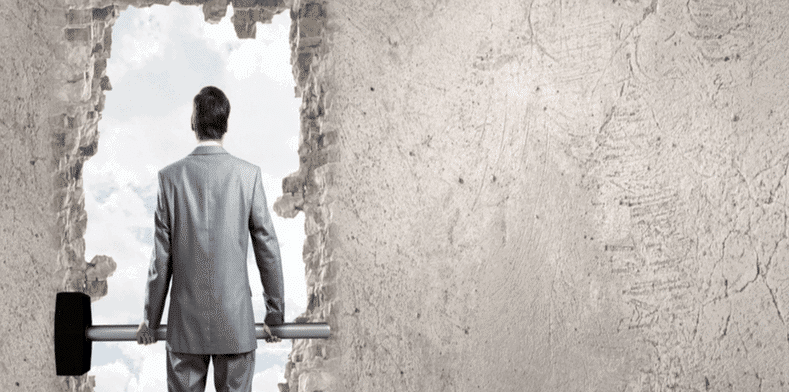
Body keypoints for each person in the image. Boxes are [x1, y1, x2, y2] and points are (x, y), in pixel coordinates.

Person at [135, 86, 285, 392]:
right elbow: (266, 246)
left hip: (186, 328)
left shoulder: (170, 179)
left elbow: (161, 259)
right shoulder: (248, 176)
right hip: (235, 323)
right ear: (225, 124)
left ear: (193, 122)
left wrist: (150, 321)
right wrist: (275, 313)